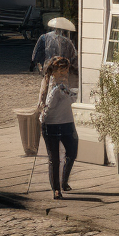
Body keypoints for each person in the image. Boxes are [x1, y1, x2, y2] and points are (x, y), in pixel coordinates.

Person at [37, 55, 77, 199]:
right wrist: (43, 120)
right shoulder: (54, 87)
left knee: (72, 153)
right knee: (54, 158)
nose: (64, 74)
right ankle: (56, 189)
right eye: (61, 72)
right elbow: (47, 107)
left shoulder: (63, 85)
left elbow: (71, 97)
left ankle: (64, 182)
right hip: (52, 126)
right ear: (54, 72)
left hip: (67, 123)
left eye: (65, 71)